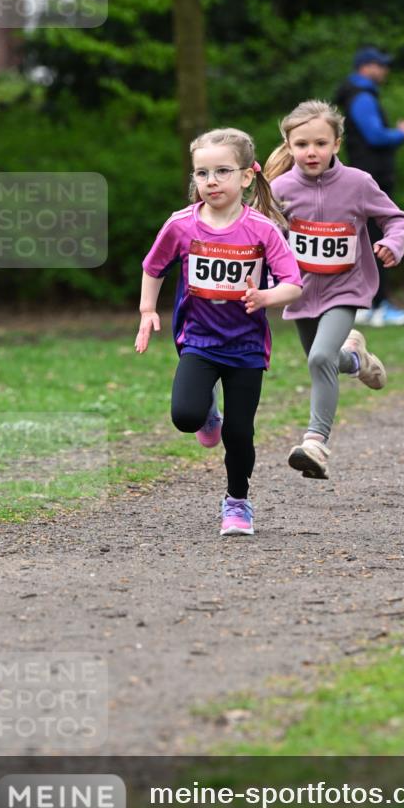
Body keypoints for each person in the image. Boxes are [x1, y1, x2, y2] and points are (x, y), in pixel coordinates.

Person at [135, 128, 302, 536]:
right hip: (200, 341)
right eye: (202, 173)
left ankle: (237, 502)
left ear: (246, 176)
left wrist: (265, 297)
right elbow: (153, 267)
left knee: (239, 433)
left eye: (222, 171)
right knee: (185, 416)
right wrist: (146, 310)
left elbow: (293, 283)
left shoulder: (262, 229)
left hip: (246, 347)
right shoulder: (181, 225)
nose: (211, 181)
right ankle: (208, 412)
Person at [265, 99, 404, 479]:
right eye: (302, 144)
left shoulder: (357, 183)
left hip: (346, 289)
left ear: (336, 144)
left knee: (320, 358)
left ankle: (315, 443)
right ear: (289, 145)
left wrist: (392, 243)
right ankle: (356, 360)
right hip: (300, 291)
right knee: (325, 361)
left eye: (320, 143)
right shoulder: (279, 189)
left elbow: (397, 219)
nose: (311, 152)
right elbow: (265, 238)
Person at [334, 46, 404, 327]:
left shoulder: (359, 94)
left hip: (369, 179)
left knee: (371, 239)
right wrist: (403, 133)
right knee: (379, 240)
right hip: (372, 181)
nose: (385, 70)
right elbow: (375, 136)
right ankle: (377, 305)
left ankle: (370, 303)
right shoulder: (362, 96)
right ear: (365, 67)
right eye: (380, 65)